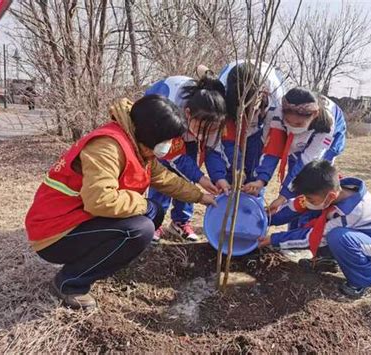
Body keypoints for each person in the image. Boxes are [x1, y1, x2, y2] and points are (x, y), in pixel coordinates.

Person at [25, 96, 216, 310]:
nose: (169, 146)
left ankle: (105, 261)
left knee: (155, 213)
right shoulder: (107, 147)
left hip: (80, 219)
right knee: (140, 229)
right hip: (55, 232)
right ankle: (70, 283)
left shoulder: (138, 143)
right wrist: (142, 204)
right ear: (151, 132)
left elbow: (164, 178)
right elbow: (100, 200)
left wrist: (200, 196)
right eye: (166, 140)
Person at [258, 160, 371, 299]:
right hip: (361, 238)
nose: (308, 201)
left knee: (338, 237)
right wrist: (266, 219)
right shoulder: (330, 191)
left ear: (331, 196)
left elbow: (313, 236)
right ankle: (327, 259)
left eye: (311, 199)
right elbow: (298, 205)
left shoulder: (351, 211)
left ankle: (366, 280)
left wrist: (272, 239)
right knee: (317, 215)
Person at [144, 72, 228, 241]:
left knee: (189, 173)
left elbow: (213, 150)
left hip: (184, 128)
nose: (205, 136)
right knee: (164, 172)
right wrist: (201, 178)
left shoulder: (213, 116)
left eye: (211, 130)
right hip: (160, 127)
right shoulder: (169, 107)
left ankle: (181, 222)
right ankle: (155, 221)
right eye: (202, 129)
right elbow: (176, 159)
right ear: (188, 113)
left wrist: (219, 178)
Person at [248, 87, 346, 220]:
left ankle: (306, 221)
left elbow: (306, 162)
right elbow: (272, 150)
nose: (293, 126)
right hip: (298, 141)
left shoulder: (327, 125)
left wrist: (283, 197)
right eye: (289, 122)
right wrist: (261, 180)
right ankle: (288, 218)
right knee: (294, 173)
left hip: (327, 140)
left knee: (312, 179)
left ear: (315, 114)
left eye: (299, 123)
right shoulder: (277, 114)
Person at [205, 60, 285, 190]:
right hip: (231, 108)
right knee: (231, 168)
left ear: (262, 95)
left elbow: (271, 147)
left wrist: (261, 180)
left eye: (251, 109)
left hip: (262, 118)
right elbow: (220, 143)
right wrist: (236, 168)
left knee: (254, 165)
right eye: (241, 111)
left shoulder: (277, 101)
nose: (247, 116)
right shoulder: (221, 95)